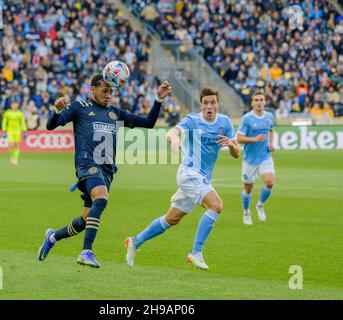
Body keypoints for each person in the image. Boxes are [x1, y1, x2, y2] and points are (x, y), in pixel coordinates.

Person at [38, 74, 172, 268]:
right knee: (101, 198)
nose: (108, 95)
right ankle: (86, 251)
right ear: (92, 90)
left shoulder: (115, 113)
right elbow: (51, 126)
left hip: (107, 171)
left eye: (111, 91)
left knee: (85, 221)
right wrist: (57, 111)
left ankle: (53, 237)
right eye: (104, 91)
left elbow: (148, 123)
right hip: (87, 165)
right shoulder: (79, 108)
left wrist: (158, 99)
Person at [125, 87, 240, 270]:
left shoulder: (225, 122)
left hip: (202, 179)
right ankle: (196, 252)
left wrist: (231, 144)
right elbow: (172, 132)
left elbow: (236, 153)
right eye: (206, 103)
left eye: (213, 102)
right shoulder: (193, 120)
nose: (209, 106)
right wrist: (175, 139)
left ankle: (135, 241)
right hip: (188, 174)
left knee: (172, 219)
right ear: (201, 105)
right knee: (216, 205)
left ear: (218, 104)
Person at [237, 91, 275, 225]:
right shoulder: (247, 119)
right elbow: (239, 138)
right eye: (256, 100)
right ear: (252, 103)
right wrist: (254, 139)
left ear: (265, 102)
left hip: (265, 156)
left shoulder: (269, 116)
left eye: (261, 100)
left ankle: (259, 205)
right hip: (250, 160)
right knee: (248, 188)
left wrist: (271, 143)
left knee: (270, 183)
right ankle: (246, 212)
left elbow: (270, 130)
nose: (259, 102)